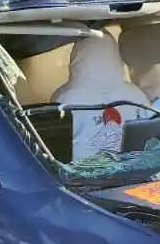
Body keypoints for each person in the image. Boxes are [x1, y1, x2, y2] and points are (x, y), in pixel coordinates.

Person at [51, 30, 150, 161]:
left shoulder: (64, 98)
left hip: (82, 176)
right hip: (131, 174)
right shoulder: (136, 95)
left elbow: (54, 145)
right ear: (115, 55)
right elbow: (151, 138)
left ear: (77, 55)